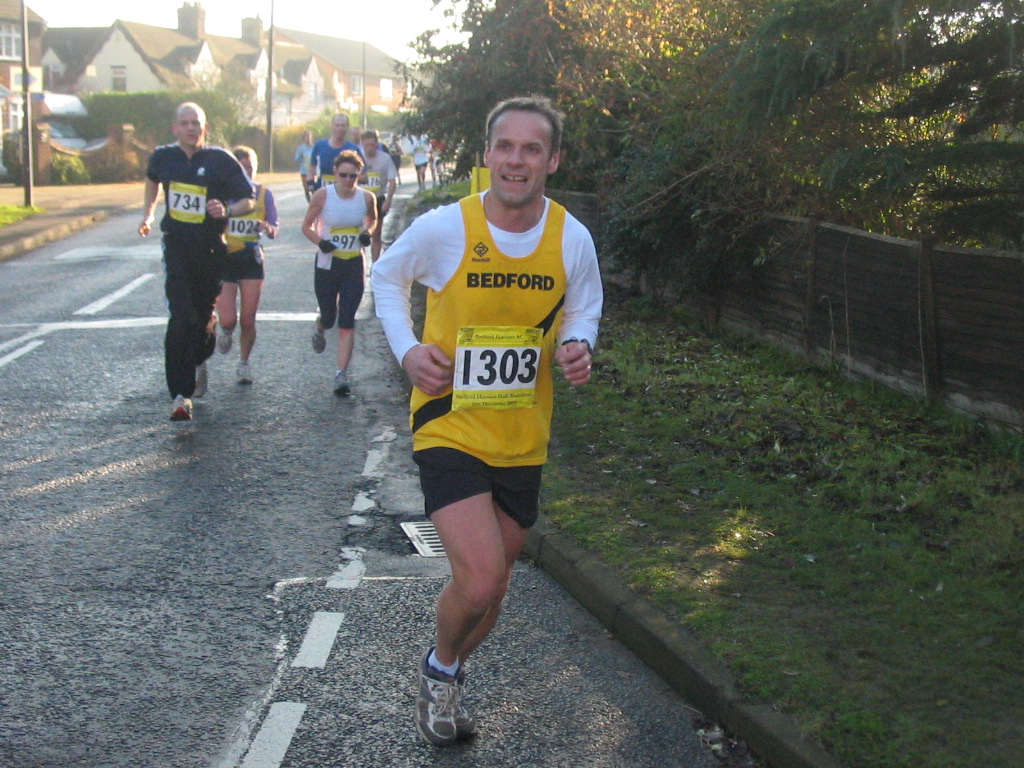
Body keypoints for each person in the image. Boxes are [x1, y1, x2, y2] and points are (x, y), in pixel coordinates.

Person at [371, 95, 603, 746]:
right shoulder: (447, 228)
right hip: (449, 423)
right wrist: (408, 351)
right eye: (505, 146)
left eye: (532, 148)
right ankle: (441, 671)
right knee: (478, 580)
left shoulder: (571, 238)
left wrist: (578, 344)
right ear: (486, 154)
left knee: (493, 590)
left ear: (552, 160)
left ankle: (446, 668)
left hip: (522, 436)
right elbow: (386, 279)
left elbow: (584, 306)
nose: (516, 160)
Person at [139, 101, 255, 422]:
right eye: (185, 123)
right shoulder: (163, 157)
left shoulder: (220, 160)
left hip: (210, 249)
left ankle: (207, 334)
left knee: (201, 320)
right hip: (176, 246)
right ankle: (180, 395)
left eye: (196, 123)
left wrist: (228, 210)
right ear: (175, 128)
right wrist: (148, 214)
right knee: (180, 316)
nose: (191, 128)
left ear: (205, 128)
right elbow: (152, 180)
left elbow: (248, 200)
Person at [301, 150, 377, 396]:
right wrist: (321, 242)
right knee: (329, 316)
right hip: (327, 264)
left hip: (353, 263)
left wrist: (367, 232)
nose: (347, 180)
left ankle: (341, 374)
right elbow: (306, 226)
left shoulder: (366, 198)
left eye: (352, 176)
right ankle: (320, 326)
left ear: (359, 175)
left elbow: (373, 219)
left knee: (347, 320)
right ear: (335, 173)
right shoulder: (323, 196)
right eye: (343, 175)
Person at [215, 145, 279, 385]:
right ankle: (225, 329)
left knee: (248, 319)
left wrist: (268, 228)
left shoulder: (264, 194)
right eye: (241, 168)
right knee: (229, 319)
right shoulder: (221, 193)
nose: (247, 173)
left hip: (251, 258)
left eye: (250, 168)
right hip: (225, 258)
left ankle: (243, 363)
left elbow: (274, 227)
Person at [359, 129, 398, 262]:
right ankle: (361, 263)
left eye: (372, 145)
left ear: (377, 144)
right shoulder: (358, 157)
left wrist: (388, 201)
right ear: (362, 144)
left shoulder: (385, 158)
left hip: (377, 198)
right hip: (360, 198)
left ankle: (375, 265)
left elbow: (392, 181)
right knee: (360, 233)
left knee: (376, 234)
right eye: (366, 145)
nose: (370, 148)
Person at [307, 114, 362, 194]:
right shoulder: (319, 146)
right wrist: (311, 183)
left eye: (343, 126)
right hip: (323, 192)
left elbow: (363, 174)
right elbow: (312, 166)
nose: (340, 128)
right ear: (332, 126)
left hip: (346, 194)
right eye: (337, 125)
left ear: (347, 127)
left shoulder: (353, 149)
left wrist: (347, 178)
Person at [295, 130, 314, 201]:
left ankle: (315, 202)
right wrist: (300, 155)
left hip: (312, 172)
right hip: (304, 172)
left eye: (309, 136)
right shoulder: (301, 149)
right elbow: (296, 159)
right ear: (304, 138)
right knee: (306, 190)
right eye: (306, 136)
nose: (308, 138)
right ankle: (310, 203)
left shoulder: (314, 147)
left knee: (313, 189)